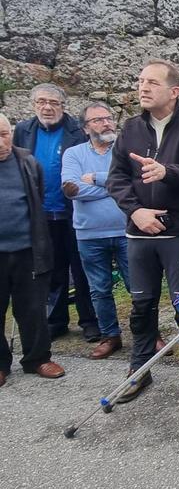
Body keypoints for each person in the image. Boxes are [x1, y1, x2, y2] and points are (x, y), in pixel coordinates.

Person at [107, 59, 179, 404]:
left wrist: (166, 172)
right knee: (141, 303)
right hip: (139, 233)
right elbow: (117, 178)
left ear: (174, 91)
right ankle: (139, 368)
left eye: (152, 82)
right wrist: (135, 211)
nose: (143, 87)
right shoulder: (130, 129)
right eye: (141, 81)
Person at [12, 83, 97, 341]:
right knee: (51, 267)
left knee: (81, 267)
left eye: (53, 102)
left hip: (73, 211)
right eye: (41, 102)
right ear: (34, 104)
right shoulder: (24, 130)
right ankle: (56, 319)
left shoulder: (77, 131)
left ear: (63, 106)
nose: (47, 107)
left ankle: (90, 321)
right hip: (41, 213)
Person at [60, 102, 131, 360]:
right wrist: (116, 186)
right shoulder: (74, 154)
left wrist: (98, 179)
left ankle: (149, 333)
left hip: (127, 231)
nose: (106, 123)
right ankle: (110, 336)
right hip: (89, 234)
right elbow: (71, 189)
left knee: (139, 287)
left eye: (109, 118)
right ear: (85, 127)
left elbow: (135, 183)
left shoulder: (125, 150)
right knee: (99, 289)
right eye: (98, 120)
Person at [0, 113, 66, 387]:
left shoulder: (27, 162)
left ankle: (37, 358)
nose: (0, 142)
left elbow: (36, 199)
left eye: (4, 134)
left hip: (28, 249)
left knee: (33, 309)